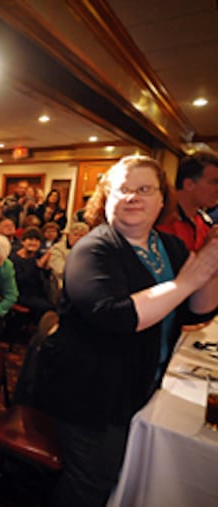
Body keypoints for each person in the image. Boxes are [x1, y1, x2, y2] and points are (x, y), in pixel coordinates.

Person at [37, 155, 218, 507]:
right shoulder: (92, 250)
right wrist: (183, 283)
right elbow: (115, 316)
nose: (133, 197)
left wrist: (211, 258)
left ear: (161, 200)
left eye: (145, 189)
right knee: (93, 481)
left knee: (125, 468)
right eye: (123, 189)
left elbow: (199, 309)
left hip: (140, 382)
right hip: (90, 394)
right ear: (107, 197)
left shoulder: (170, 246)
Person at [156, 152, 218, 250]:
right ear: (189, 184)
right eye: (214, 182)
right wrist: (207, 249)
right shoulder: (161, 219)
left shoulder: (204, 223)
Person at [8, 227, 55, 322]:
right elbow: (19, 280)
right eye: (30, 239)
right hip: (21, 294)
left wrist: (47, 269)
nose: (33, 243)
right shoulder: (14, 259)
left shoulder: (37, 255)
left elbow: (43, 279)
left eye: (36, 240)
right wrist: (37, 266)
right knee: (49, 310)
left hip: (38, 294)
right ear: (23, 242)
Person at [47, 221, 89, 287]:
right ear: (69, 236)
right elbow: (60, 270)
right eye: (75, 234)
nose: (78, 238)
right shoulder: (57, 249)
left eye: (81, 235)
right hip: (62, 284)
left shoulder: (90, 250)